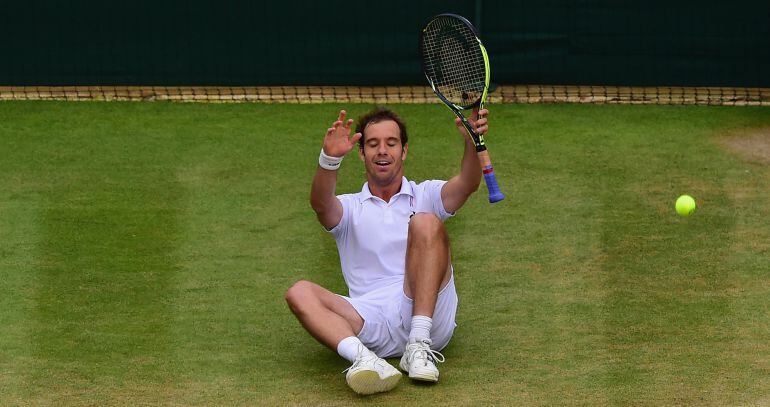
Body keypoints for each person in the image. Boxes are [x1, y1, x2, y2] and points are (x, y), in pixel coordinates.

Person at [285, 106, 488, 395]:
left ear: (403, 151)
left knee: (425, 222)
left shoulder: (426, 194)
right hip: (370, 321)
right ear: (361, 153)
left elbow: (468, 183)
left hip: (429, 316)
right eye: (373, 144)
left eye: (391, 143)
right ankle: (365, 359)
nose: (382, 151)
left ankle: (418, 346)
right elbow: (320, 204)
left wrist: (471, 141)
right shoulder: (350, 207)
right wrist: (329, 159)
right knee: (299, 292)